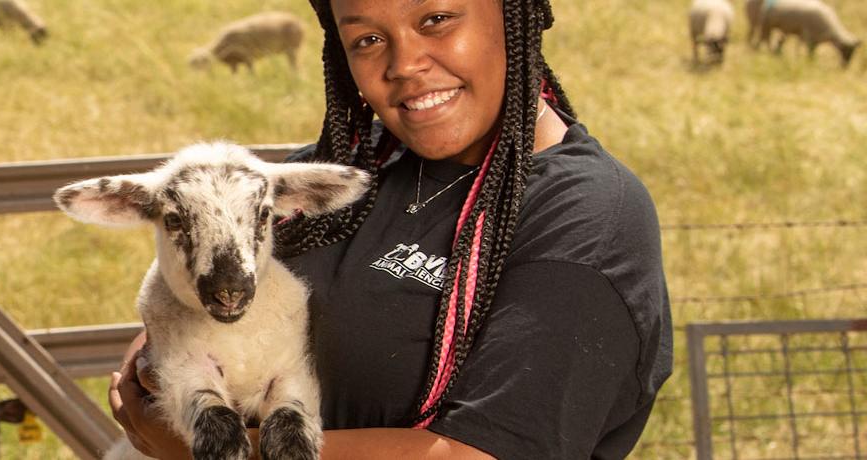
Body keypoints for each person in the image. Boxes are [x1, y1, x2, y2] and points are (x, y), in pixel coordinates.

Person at [105, 0, 674, 458]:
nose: (404, 64)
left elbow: (481, 455)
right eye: (367, 39)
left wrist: (217, 447)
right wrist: (171, 364)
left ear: (513, 12)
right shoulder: (345, 174)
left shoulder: (586, 219)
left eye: (436, 20)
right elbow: (197, 296)